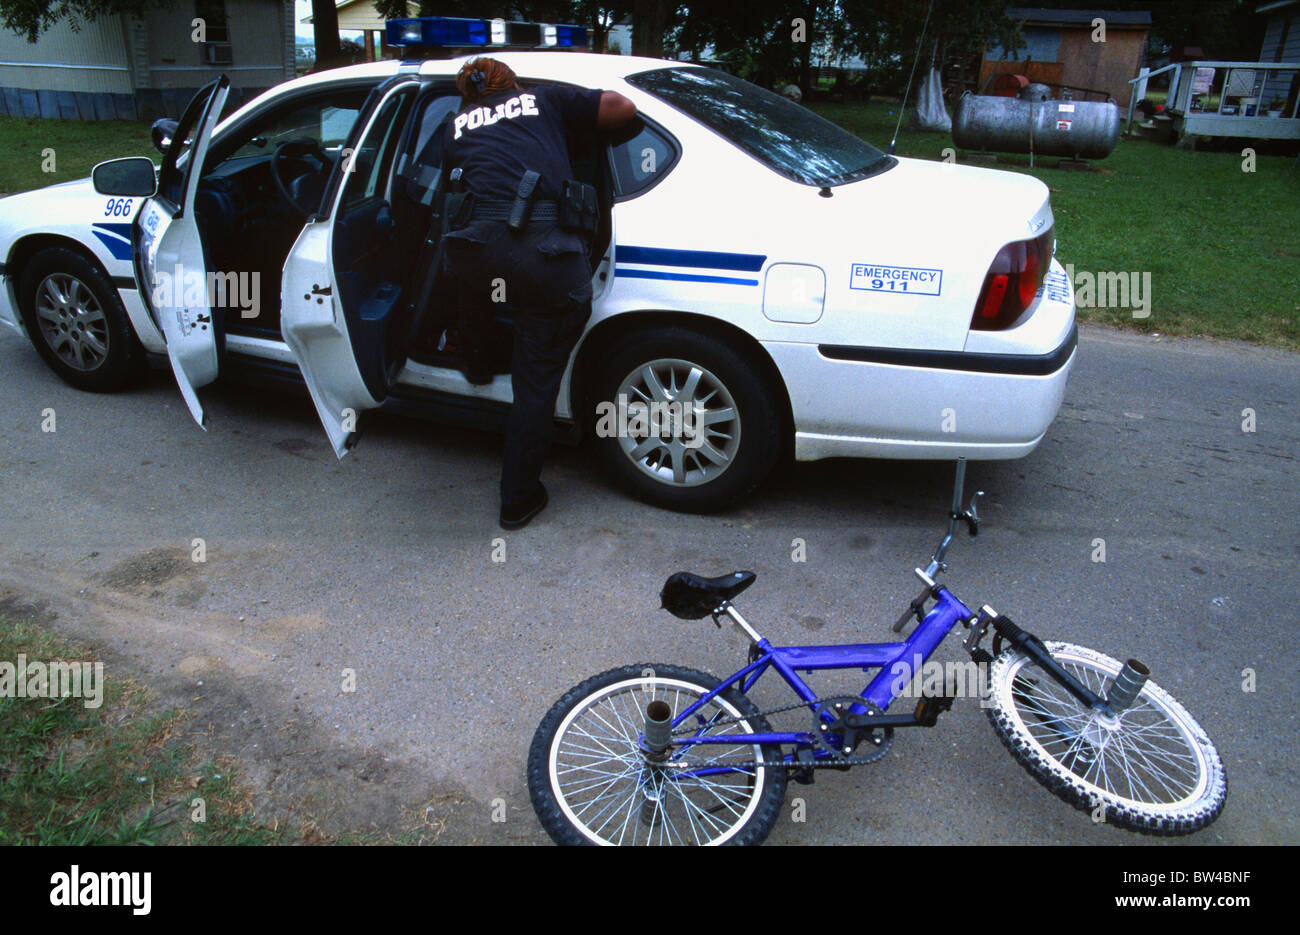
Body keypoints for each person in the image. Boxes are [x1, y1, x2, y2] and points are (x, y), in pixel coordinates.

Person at [440, 57, 636, 530]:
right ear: (514, 83)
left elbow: (450, 179)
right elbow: (622, 108)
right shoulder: (545, 98)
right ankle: (517, 499)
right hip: (546, 258)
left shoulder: (455, 125)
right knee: (535, 383)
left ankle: (477, 359)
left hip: (477, 250)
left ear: (468, 94)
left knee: (472, 285)